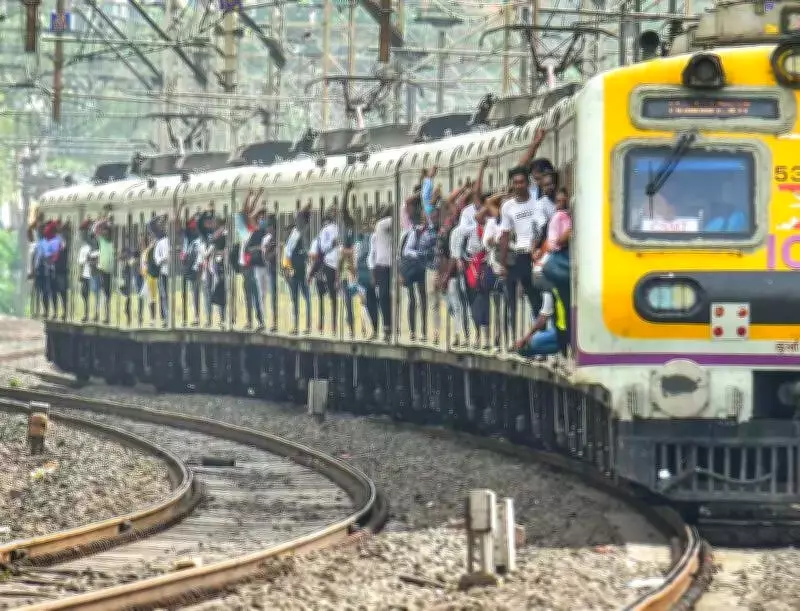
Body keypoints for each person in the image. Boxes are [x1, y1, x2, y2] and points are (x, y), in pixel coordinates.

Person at [499, 167, 546, 345]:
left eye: (522, 182)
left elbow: (542, 227)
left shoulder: (537, 201)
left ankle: (542, 335)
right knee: (531, 297)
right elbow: (505, 235)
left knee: (544, 296)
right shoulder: (508, 207)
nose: (519, 186)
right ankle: (536, 338)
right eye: (515, 182)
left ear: (528, 183)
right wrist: (503, 263)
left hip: (539, 252)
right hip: (522, 255)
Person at [399, 198, 428, 342]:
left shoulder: (425, 231)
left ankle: (423, 330)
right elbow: (406, 251)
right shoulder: (412, 231)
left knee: (423, 298)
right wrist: (420, 254)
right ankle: (412, 331)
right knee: (412, 299)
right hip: (412, 266)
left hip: (421, 267)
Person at [514, 282, 568, 359]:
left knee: (534, 342)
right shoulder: (558, 287)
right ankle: (564, 349)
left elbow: (542, 319)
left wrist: (525, 339)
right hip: (564, 330)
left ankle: (563, 348)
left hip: (562, 330)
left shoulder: (548, 290)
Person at [283, 206, 312, 335]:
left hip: (302, 270)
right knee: (294, 299)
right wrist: (287, 268)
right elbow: (287, 252)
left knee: (306, 298)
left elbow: (307, 252)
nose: (297, 221)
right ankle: (296, 326)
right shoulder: (294, 232)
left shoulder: (305, 232)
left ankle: (308, 325)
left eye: (299, 218)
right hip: (292, 270)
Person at [368, 205, 393, 343]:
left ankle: (387, 327)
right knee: (384, 297)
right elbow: (372, 254)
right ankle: (386, 328)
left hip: (387, 266)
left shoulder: (384, 229)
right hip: (382, 267)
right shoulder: (381, 226)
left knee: (385, 297)